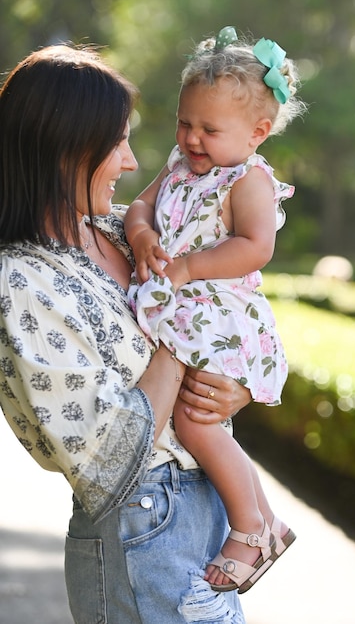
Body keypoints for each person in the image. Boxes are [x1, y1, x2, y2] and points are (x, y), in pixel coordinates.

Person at [0, 44, 253, 624]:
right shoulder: (22, 281)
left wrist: (233, 387)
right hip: (138, 528)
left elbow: (230, 312)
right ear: (67, 148)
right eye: (117, 142)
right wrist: (180, 335)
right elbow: (107, 460)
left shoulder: (121, 234)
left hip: (196, 513)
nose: (132, 163)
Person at [126, 26, 306, 594]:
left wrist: (186, 267)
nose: (192, 138)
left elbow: (256, 247)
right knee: (193, 419)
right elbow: (141, 204)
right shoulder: (180, 163)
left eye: (209, 129)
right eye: (184, 123)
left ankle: (252, 527)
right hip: (183, 311)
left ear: (256, 134)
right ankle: (267, 522)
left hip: (218, 317)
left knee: (195, 421)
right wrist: (139, 237)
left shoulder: (247, 179)